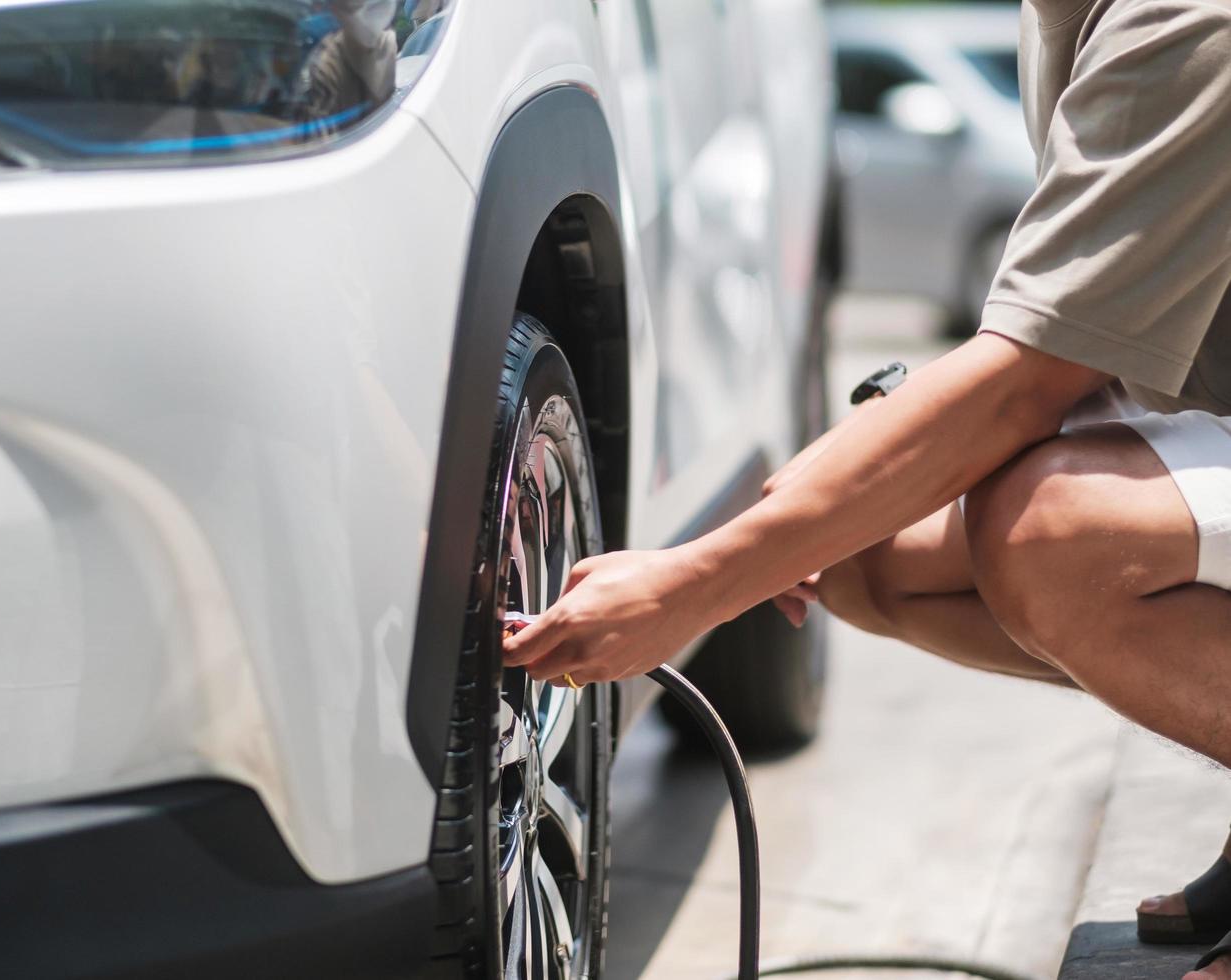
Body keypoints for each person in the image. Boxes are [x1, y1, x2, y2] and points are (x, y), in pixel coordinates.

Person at [501, 0, 1231, 976]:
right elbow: (1096, 323)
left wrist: (695, 584)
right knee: (864, 555)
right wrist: (809, 511)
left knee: (1053, 540)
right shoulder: (1061, 14)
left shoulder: (1189, 22)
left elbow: (1025, 380)